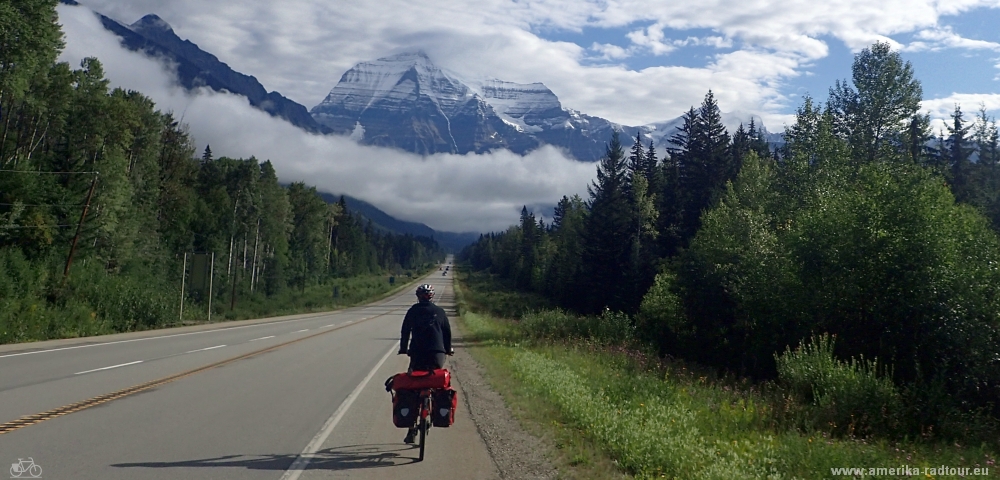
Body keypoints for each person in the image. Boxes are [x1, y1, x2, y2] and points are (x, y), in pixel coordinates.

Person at [398, 283, 453, 444]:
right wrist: (447, 349)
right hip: (437, 354)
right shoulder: (440, 312)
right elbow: (447, 333)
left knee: (415, 385)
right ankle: (435, 409)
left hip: (417, 353)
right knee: (435, 382)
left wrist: (403, 348)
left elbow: (405, 331)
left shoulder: (413, 311)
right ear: (432, 297)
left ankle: (411, 430)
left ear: (418, 296)